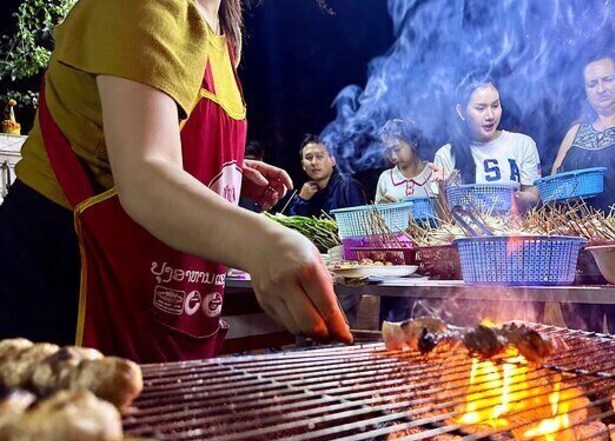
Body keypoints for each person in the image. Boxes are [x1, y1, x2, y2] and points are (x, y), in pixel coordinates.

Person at [0, 0, 352, 362]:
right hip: (62, 279)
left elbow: (145, 141)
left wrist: (222, 171)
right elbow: (145, 176)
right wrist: (264, 244)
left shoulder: (223, 29)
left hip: (150, 290)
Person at [552, 50, 615, 334]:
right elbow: (554, 182)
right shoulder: (576, 132)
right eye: (592, 83)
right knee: (582, 336)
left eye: (607, 79)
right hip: (578, 258)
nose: (600, 89)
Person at [433, 73, 541, 211]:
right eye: (480, 108)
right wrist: (442, 189)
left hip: (513, 230)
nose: (490, 116)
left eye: (495, 106)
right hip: (468, 232)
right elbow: (443, 223)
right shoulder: (445, 155)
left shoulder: (523, 144)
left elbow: (534, 198)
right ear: (461, 112)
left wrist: (511, 198)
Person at [286, 134, 367, 217]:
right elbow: (292, 226)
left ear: (332, 161)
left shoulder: (348, 187)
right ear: (303, 165)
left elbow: (360, 225)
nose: (314, 162)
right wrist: (302, 200)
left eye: (319, 156)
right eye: (309, 157)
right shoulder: (305, 191)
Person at [376, 118, 439, 203]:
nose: (393, 156)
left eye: (397, 149)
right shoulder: (385, 178)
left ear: (414, 143)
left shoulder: (434, 175)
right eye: (388, 151)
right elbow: (376, 214)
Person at [239, 140, 288, 212]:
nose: (247, 167)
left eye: (251, 160)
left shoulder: (272, 185)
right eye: (243, 161)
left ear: (260, 159)